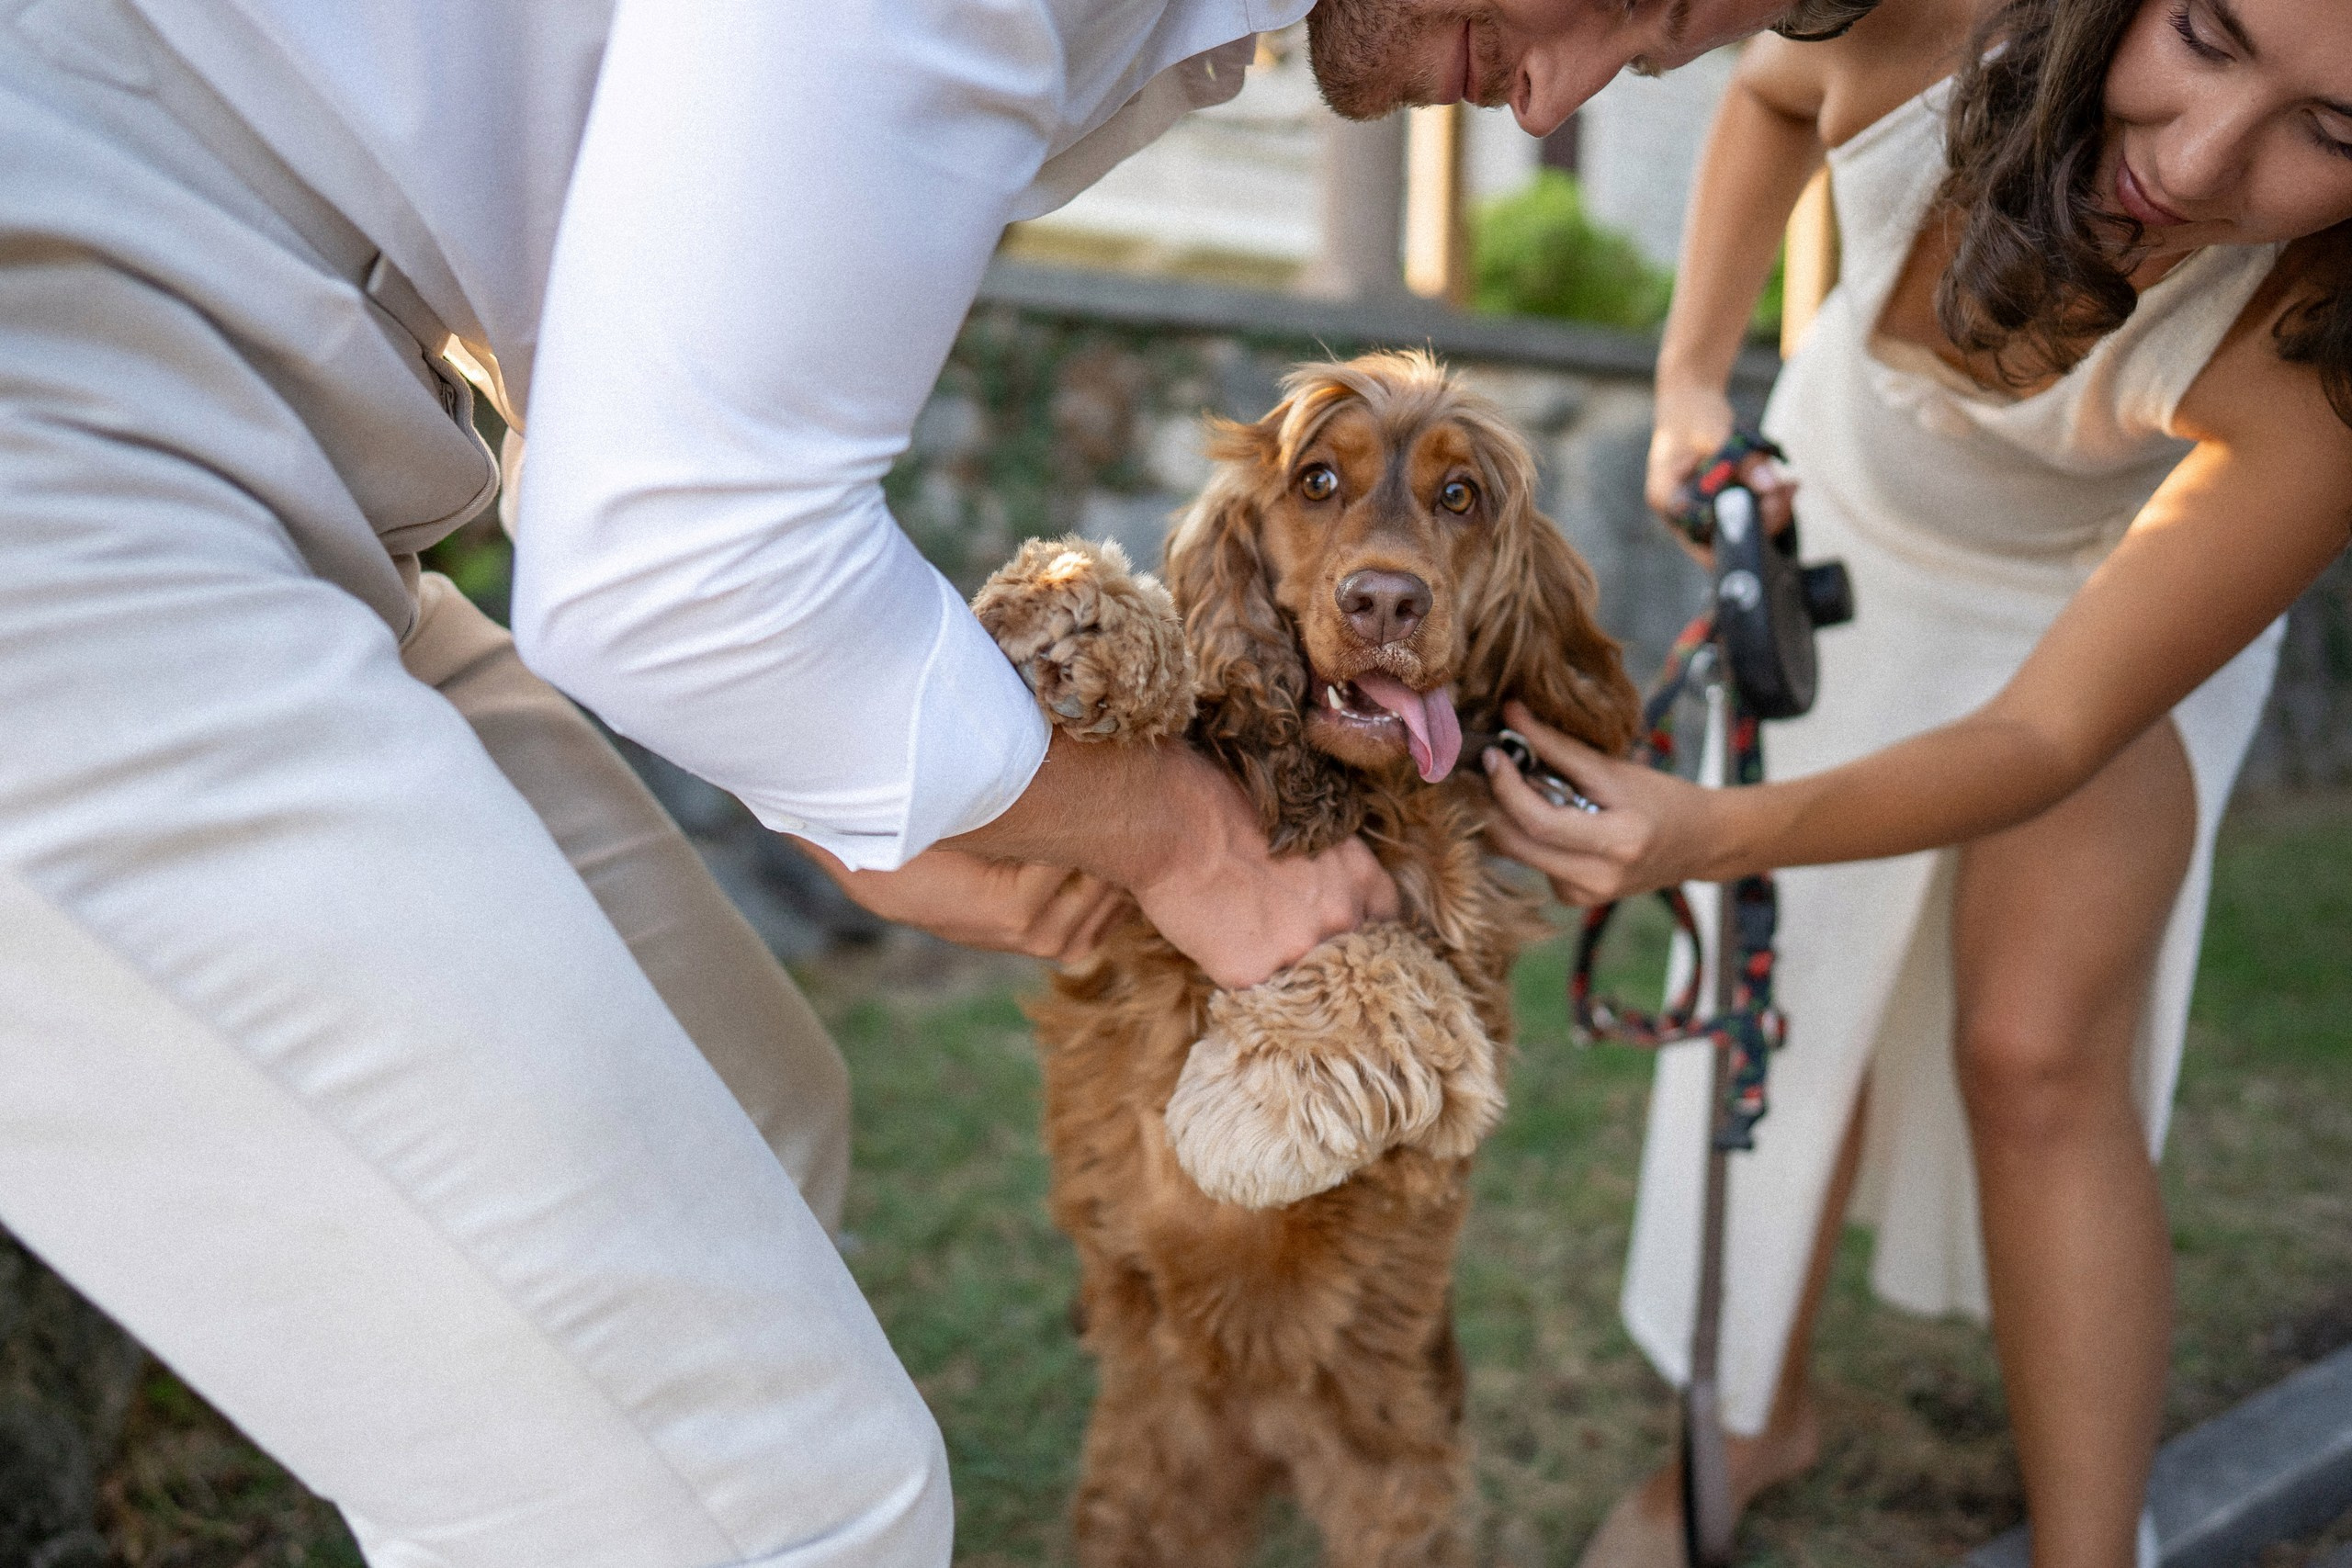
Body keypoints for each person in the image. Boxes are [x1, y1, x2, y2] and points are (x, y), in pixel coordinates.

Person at [0, 0, 1906, 1562]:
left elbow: (636, 428)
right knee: (780, 1506)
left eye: (1652, 62)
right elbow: (682, 558)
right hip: (74, 365)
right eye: (1626, 2)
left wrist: (876, 790)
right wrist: (1174, 832)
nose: (1558, 93)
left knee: (749, 1113)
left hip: (303, 427)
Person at [1482, 0, 2352, 1561]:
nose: (2204, 159)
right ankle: (1742, 1425)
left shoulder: (2318, 359)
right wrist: (1691, 383)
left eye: (2337, 134)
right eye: (2210, 37)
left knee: (2035, 1052)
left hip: (2104, 609)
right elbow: (1759, 98)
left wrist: (1714, 831)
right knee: (1785, 993)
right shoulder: (1931, 26)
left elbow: (2043, 739)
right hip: (1850, 520)